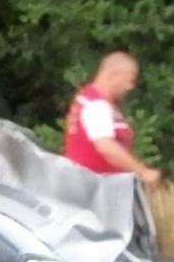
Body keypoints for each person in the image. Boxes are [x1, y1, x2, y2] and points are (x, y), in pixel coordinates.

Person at [63, 51, 161, 185]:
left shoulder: (92, 99)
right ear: (115, 75)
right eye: (129, 80)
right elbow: (106, 146)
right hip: (93, 191)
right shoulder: (96, 105)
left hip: (97, 190)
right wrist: (143, 172)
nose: (130, 87)